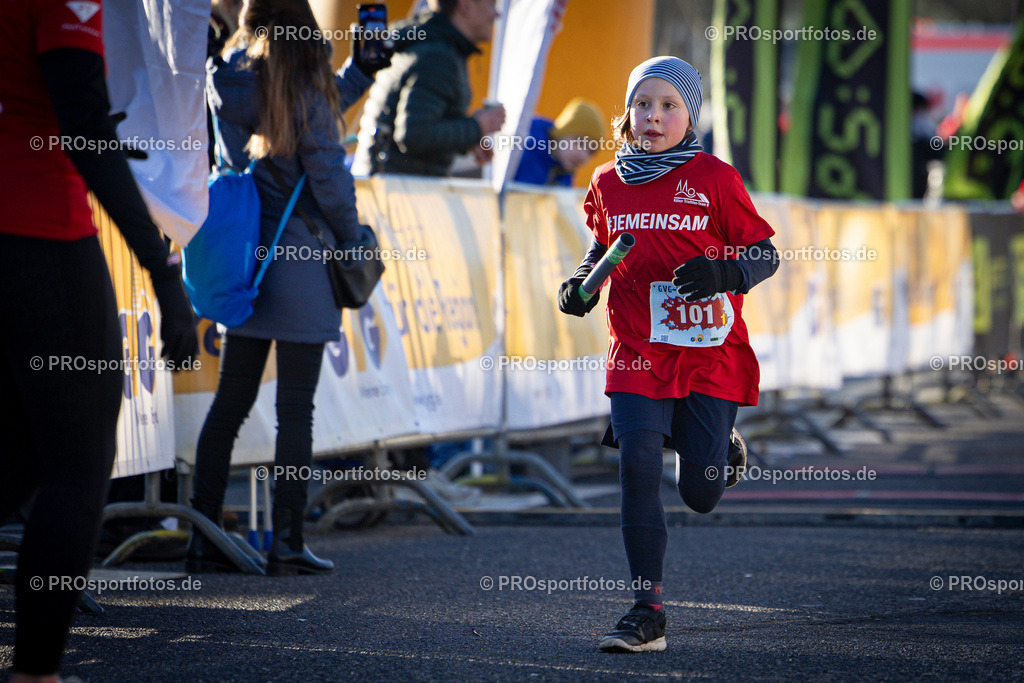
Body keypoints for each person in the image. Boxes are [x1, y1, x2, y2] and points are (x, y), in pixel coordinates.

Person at [0, 0, 199, 679]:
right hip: (36, 230)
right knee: (78, 463)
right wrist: (163, 269)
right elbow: (83, 121)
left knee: (20, 457)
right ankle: (36, 671)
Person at [557, 56, 779, 653]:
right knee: (637, 468)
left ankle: (720, 444)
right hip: (636, 349)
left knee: (701, 493)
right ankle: (646, 612)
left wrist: (724, 270)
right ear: (627, 114)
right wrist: (580, 286)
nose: (653, 117)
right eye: (642, 105)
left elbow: (765, 255)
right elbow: (603, 249)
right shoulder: (606, 181)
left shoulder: (716, 178)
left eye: (669, 106)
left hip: (709, 353)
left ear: (690, 115)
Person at [188, 0, 381, 576]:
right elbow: (326, 167)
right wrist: (354, 242)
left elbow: (299, 123)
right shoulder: (301, 79)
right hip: (301, 262)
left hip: (246, 259)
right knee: (296, 409)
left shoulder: (231, 76)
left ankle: (202, 538)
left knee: (229, 406)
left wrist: (360, 76)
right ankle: (288, 541)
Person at [351, 0, 505, 177]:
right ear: (465, 5)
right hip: (395, 193)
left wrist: (467, 140)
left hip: (386, 185)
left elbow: (420, 127)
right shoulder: (438, 56)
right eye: (491, 5)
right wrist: (477, 127)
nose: (496, 14)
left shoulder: (437, 44)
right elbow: (415, 136)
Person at [514, 97, 604, 186]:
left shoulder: (563, 169)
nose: (583, 155)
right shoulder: (525, 148)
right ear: (562, 133)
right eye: (579, 142)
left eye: (591, 151)